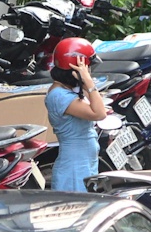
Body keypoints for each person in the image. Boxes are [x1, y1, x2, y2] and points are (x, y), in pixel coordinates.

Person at [45, 37, 108, 193]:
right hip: (74, 169)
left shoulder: (68, 89)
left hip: (84, 164)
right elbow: (99, 113)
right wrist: (87, 81)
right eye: (87, 69)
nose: (89, 73)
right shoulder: (59, 95)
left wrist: (83, 81)